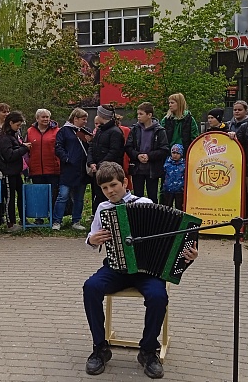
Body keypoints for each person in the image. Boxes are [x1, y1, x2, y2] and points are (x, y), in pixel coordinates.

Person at [82, 162, 198, 378]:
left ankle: (147, 350)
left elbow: (171, 238)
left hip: (147, 271)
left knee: (158, 296)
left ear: (125, 182)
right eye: (105, 188)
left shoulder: (144, 203)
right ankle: (100, 347)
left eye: (114, 185)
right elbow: (92, 238)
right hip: (116, 268)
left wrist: (187, 255)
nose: (110, 191)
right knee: (91, 287)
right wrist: (91, 239)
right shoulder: (102, 208)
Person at [54, 108, 91, 230]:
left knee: (79, 197)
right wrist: (67, 159)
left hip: (81, 170)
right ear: (75, 119)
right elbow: (58, 147)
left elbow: (91, 148)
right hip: (68, 169)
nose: (85, 122)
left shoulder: (86, 131)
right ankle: (57, 221)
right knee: (63, 195)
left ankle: (76, 221)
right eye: (83, 119)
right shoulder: (64, 131)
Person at [125, 102, 169, 201]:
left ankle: (153, 216)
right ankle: (138, 215)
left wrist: (149, 156)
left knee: (152, 196)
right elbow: (128, 147)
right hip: (137, 169)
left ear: (149, 115)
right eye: (138, 114)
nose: (138, 116)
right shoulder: (135, 129)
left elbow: (164, 149)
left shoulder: (160, 130)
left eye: (141, 114)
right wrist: (137, 156)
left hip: (152, 169)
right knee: (137, 196)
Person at [0, 111, 30, 230]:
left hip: (16, 172)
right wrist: (24, 148)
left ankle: (22, 218)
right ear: (11, 123)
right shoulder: (4, 138)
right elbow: (9, 155)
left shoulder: (14, 136)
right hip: (8, 172)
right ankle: (10, 223)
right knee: (10, 198)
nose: (19, 127)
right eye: (18, 125)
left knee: (21, 195)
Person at [87, 105, 125, 213]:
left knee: (108, 195)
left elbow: (114, 152)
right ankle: (97, 217)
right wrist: (91, 162)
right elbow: (92, 146)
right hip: (97, 170)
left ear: (101, 115)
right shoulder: (100, 130)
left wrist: (99, 165)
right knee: (98, 195)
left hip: (110, 171)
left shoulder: (115, 132)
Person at [26, 108, 60, 207]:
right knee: (39, 195)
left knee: (53, 195)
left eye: (47, 117)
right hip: (36, 169)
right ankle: (39, 217)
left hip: (53, 169)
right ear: (37, 118)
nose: (45, 119)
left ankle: (53, 217)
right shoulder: (30, 131)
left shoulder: (57, 131)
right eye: (43, 117)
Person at [161, 144, 186, 209]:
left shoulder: (184, 164)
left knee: (179, 207)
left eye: (178, 153)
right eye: (173, 153)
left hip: (180, 190)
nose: (175, 155)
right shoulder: (166, 162)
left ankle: (179, 218)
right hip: (168, 189)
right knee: (167, 208)